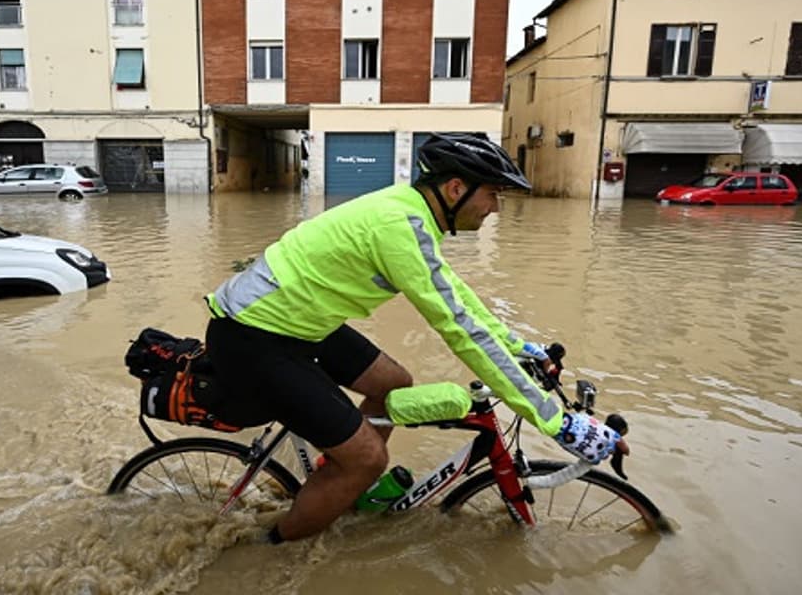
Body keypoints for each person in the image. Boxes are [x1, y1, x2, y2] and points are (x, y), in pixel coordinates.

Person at [203, 132, 624, 543]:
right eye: (492, 194)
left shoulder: (415, 216)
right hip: (253, 336)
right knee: (369, 459)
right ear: (456, 187)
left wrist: (521, 347)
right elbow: (460, 331)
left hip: (298, 323)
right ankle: (271, 547)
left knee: (392, 383)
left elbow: (459, 300)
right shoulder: (399, 226)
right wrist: (556, 421)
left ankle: (335, 475)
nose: (495, 207)